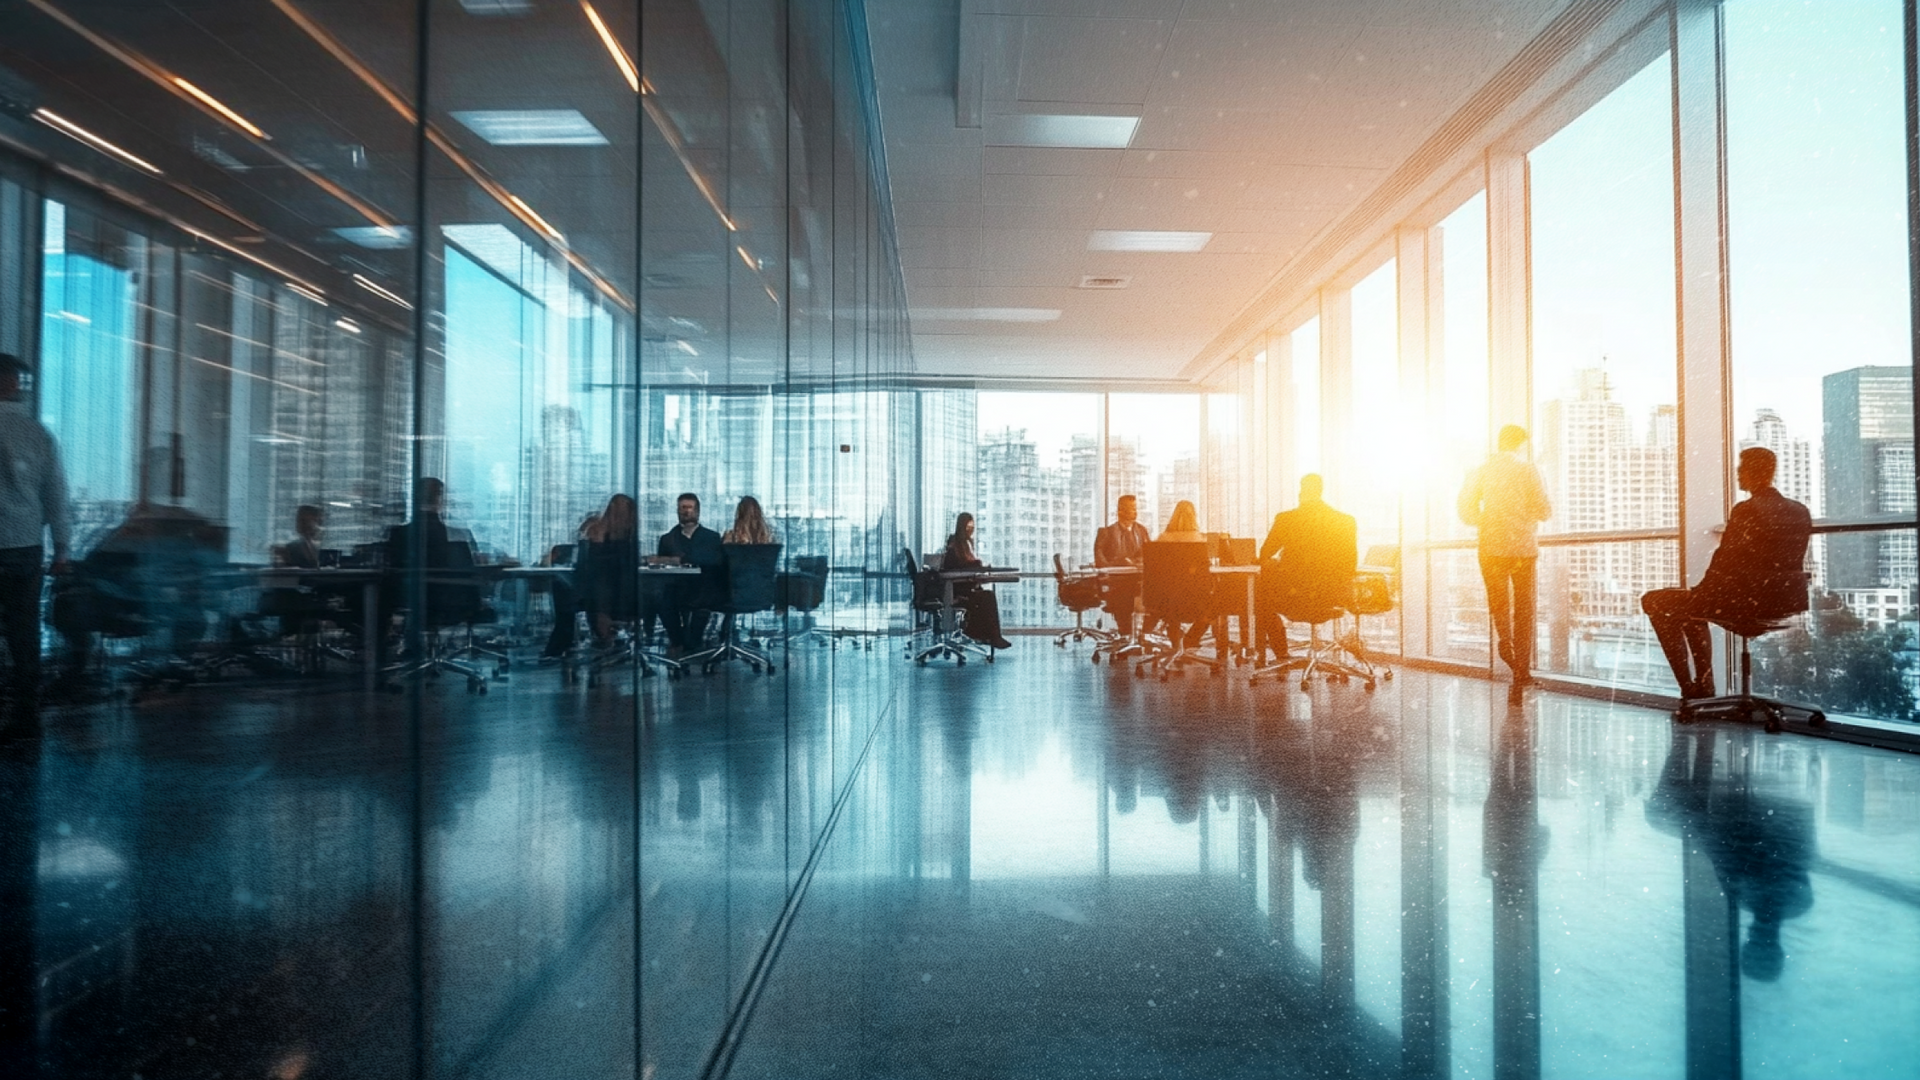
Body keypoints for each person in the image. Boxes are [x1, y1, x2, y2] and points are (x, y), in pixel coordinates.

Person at [1641, 447, 1811, 699]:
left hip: (1747, 606)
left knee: (1654, 601)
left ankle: (1692, 690)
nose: (1738, 472)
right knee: (1691, 611)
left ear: (1753, 471)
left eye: (1742, 467)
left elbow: (1725, 560)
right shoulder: (1799, 510)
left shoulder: (1747, 510)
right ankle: (1703, 686)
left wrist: (1700, 594)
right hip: (1786, 604)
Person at [0, 353, 70, 728]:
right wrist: (62, 548)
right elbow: (56, 494)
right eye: (20, 380)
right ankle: (27, 709)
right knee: (24, 630)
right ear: (9, 383)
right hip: (24, 546)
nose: (24, 387)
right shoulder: (37, 433)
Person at [1458, 424, 1552, 687]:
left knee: (1499, 603)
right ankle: (1521, 668)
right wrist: (1522, 517)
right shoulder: (1528, 469)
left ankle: (1505, 642)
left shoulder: (1480, 471)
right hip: (1522, 548)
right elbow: (1544, 510)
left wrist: (1488, 521)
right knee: (1524, 609)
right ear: (1522, 443)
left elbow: (1465, 511)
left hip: (1490, 547)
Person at [1256, 474, 1358, 665]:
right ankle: (1282, 653)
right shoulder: (1344, 521)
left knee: (1258, 600)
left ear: (1301, 492)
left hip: (1292, 598)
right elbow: (1350, 564)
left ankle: (1279, 653)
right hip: (1331, 599)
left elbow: (1264, 554)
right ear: (1321, 491)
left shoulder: (1286, 519)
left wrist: (1278, 563)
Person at [658, 492, 723, 654]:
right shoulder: (667, 539)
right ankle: (678, 641)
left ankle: (693, 642)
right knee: (661, 599)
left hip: (704, 587)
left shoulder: (712, 537)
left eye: (690, 507)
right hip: (676, 586)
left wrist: (681, 559)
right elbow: (661, 566)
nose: (686, 511)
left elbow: (714, 562)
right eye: (683, 508)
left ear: (698, 511)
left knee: (701, 598)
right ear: (677, 511)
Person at [942, 512, 1013, 650]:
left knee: (985, 596)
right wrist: (977, 565)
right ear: (962, 526)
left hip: (964, 586)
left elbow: (966, 564)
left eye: (972, 526)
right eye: (968, 526)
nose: (971, 529)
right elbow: (958, 567)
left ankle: (986, 635)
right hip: (957, 590)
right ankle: (989, 636)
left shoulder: (965, 544)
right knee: (987, 597)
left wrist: (977, 566)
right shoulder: (954, 544)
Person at [579, 495, 640, 646]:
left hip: (617, 585)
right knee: (603, 587)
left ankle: (608, 635)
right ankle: (605, 632)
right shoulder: (597, 530)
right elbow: (596, 563)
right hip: (602, 586)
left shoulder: (627, 535)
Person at [1095, 494, 1150, 637]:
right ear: (1120, 510)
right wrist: (1118, 562)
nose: (1135, 512)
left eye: (1135, 508)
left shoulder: (1142, 531)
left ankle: (1142, 633)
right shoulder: (1106, 533)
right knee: (1124, 597)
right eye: (1131, 508)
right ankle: (1126, 635)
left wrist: (1140, 561)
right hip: (1116, 583)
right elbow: (1100, 563)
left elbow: (1150, 555)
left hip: (1140, 581)